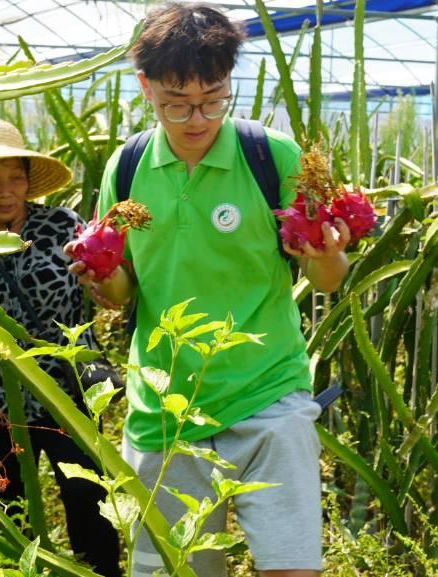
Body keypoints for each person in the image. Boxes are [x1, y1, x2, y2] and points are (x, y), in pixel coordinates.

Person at [66, 4, 353, 577]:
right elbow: (126, 290)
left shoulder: (273, 158)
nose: (197, 118)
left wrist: (327, 256)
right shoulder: (125, 169)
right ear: (145, 87)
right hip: (165, 410)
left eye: (213, 98)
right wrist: (102, 280)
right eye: (176, 103)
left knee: (292, 567)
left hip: (268, 395)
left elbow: (327, 278)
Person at [0, 118, 121, 577]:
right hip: (0, 400)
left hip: (68, 394)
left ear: (29, 181)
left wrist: (103, 285)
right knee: (10, 514)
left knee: (88, 505)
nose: (4, 190)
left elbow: (104, 283)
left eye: (15, 176)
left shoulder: (63, 226)